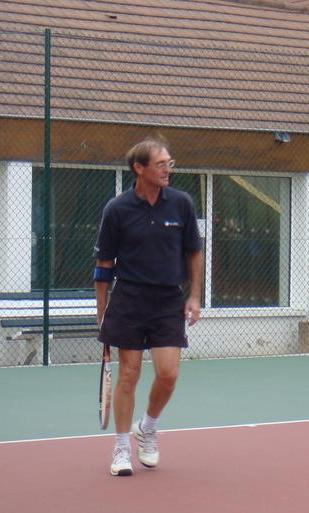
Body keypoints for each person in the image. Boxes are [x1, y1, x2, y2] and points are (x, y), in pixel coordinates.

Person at [93, 138, 204, 476]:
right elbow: (104, 264)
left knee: (168, 374)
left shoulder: (181, 204)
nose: (168, 170)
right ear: (139, 168)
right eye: (160, 164)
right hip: (129, 299)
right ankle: (121, 448)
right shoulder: (117, 209)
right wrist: (102, 310)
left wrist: (194, 296)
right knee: (129, 375)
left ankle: (147, 428)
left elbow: (194, 252)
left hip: (168, 299)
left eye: (170, 163)